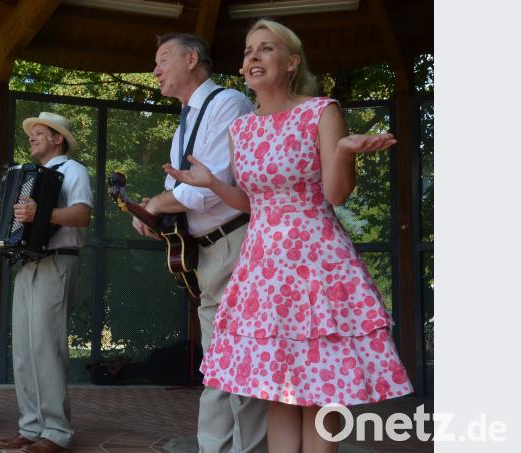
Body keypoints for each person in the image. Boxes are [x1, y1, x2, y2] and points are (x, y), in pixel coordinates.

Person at [163, 19, 413, 453]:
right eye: (248, 51)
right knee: (278, 389)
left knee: (319, 389)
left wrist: (344, 152)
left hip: (316, 262)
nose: (253, 57)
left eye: (266, 48)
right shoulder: (241, 129)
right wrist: (212, 183)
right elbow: (251, 203)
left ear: (292, 62)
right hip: (262, 267)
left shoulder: (321, 111)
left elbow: (335, 194)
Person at [132, 33, 268, 453]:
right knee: (218, 365)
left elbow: (209, 186)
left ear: (192, 59)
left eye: (163, 59)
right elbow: (179, 190)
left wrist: (158, 203)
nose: (155, 70)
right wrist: (153, 213)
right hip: (207, 252)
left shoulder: (228, 103)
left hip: (235, 244)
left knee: (241, 363)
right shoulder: (186, 121)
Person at [0, 112, 92, 453]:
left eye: (39, 133)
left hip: (58, 260)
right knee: (23, 350)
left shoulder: (73, 170)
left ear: (57, 139)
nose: (32, 138)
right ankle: (31, 427)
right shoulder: (30, 176)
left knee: (46, 348)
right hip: (29, 262)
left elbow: (82, 215)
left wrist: (42, 213)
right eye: (31, 134)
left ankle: (57, 432)